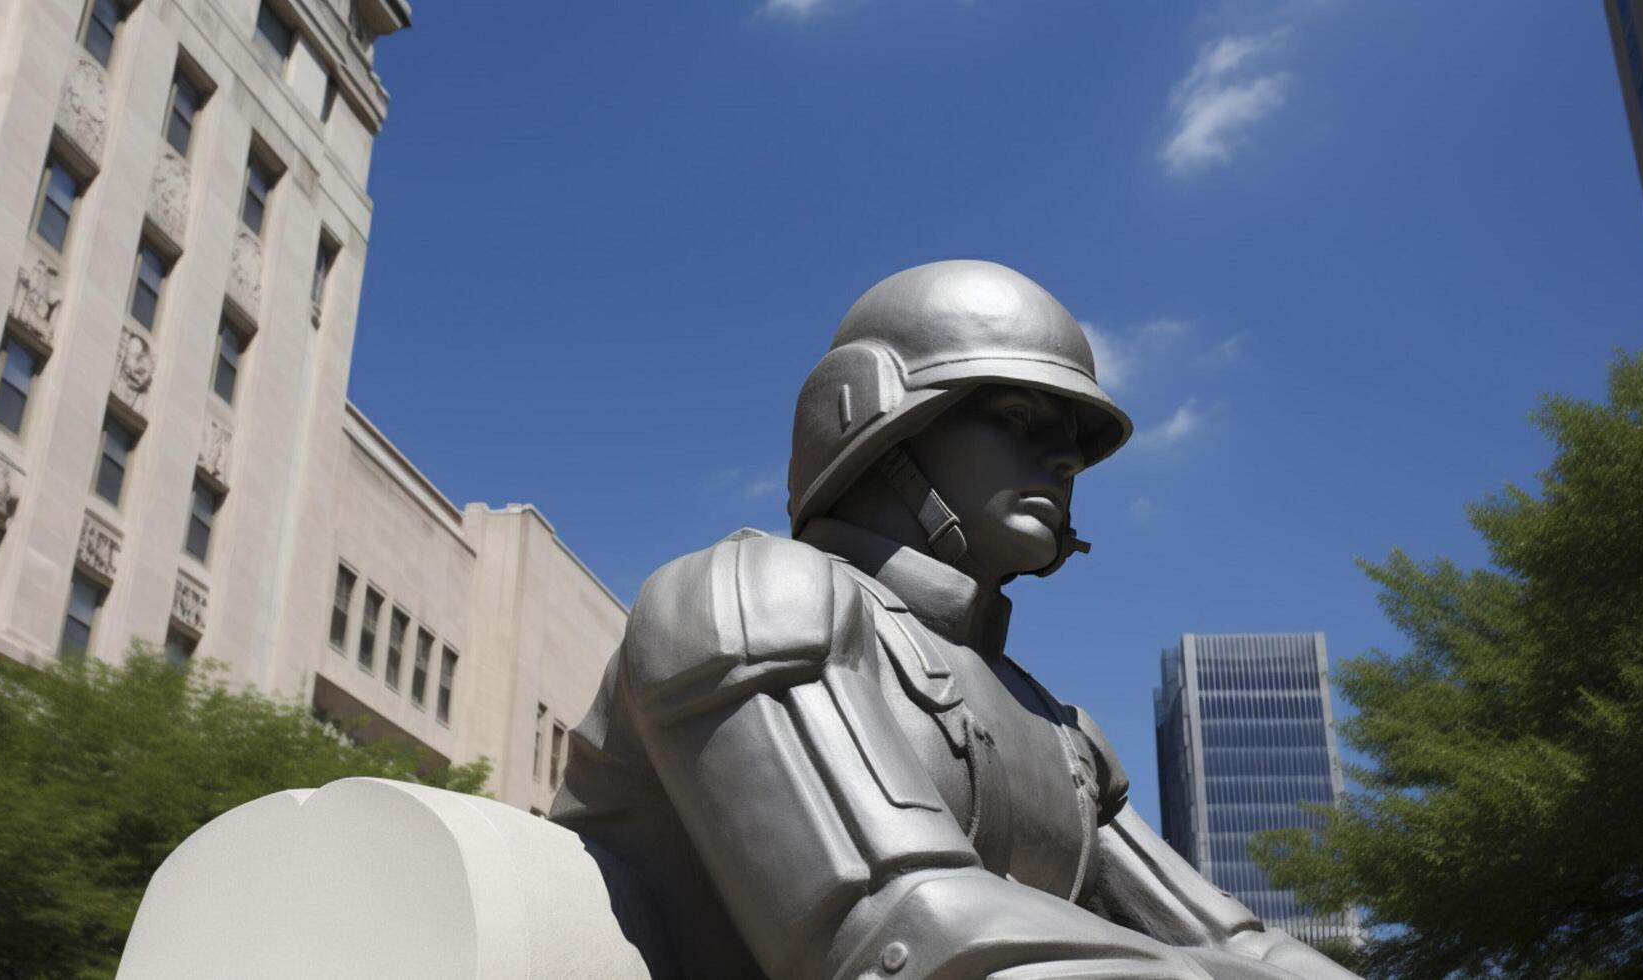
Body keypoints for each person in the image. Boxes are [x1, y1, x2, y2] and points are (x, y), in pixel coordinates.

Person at [552, 261, 1356, 980]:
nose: (1067, 458)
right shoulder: (745, 597)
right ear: (877, 422)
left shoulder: (1057, 729)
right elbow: (898, 934)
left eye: (1075, 436)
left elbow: (1235, 941)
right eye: (1016, 417)